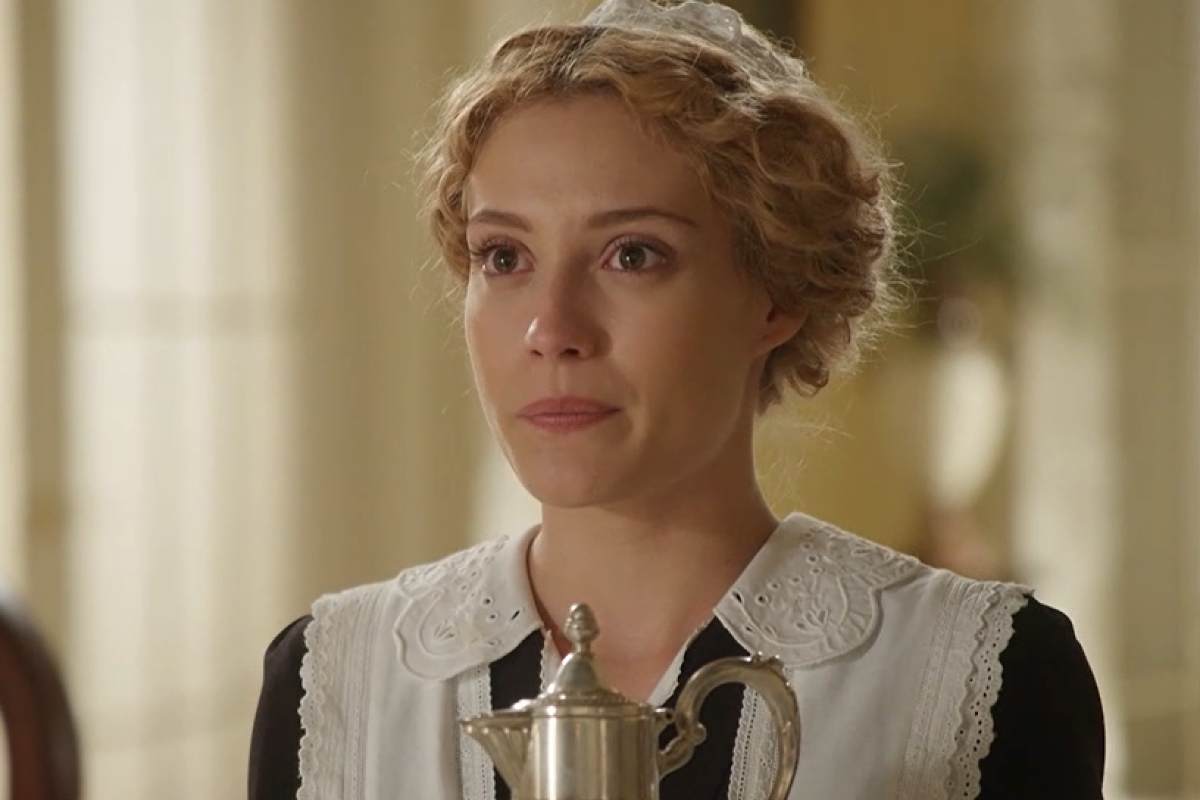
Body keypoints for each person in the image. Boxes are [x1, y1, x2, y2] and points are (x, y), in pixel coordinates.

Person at [248, 1, 1105, 798]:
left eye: (633, 254)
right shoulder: (334, 683)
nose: (551, 328)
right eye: (504, 257)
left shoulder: (983, 676)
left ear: (775, 293)